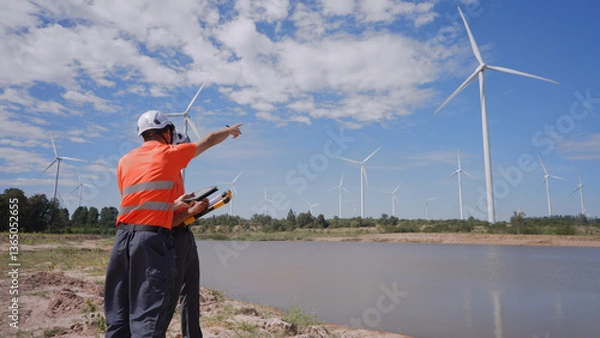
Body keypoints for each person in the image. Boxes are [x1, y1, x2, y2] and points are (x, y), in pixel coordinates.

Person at [104, 110, 241, 338]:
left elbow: (139, 204)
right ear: (167, 132)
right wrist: (228, 131)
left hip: (122, 239)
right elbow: (207, 141)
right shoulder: (168, 154)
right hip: (151, 240)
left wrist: (176, 203)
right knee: (148, 317)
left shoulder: (124, 161)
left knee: (119, 312)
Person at [161, 131, 204, 337]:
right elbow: (163, 217)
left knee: (191, 292)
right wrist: (190, 211)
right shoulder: (163, 174)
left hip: (185, 235)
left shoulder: (177, 173)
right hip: (172, 239)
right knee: (170, 295)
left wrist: (193, 208)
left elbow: (175, 209)